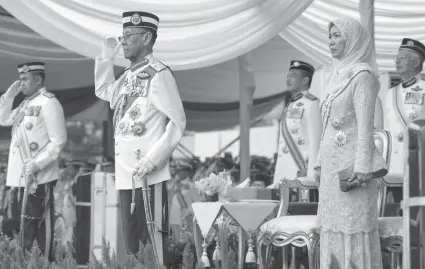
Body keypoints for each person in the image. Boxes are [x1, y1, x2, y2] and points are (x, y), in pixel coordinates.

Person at [94, 11, 186, 260]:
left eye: (128, 36)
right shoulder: (128, 76)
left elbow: (178, 123)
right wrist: (106, 56)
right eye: (122, 36)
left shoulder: (159, 74)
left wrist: (151, 161)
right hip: (126, 175)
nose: (123, 41)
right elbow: (104, 90)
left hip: (148, 177)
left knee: (152, 247)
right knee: (133, 248)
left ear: (146, 37)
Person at [315, 18, 388, 268]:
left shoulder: (362, 75)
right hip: (330, 171)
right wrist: (317, 163)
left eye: (337, 36)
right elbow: (326, 125)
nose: (331, 42)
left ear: (353, 39)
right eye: (330, 36)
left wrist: (363, 169)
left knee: (352, 229)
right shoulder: (334, 76)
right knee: (332, 229)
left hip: (353, 172)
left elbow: (367, 127)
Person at [0, 62, 67, 259]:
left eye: (25, 79)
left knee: (37, 227)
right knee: (22, 229)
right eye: (20, 79)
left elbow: (58, 140)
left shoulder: (49, 103)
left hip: (39, 177)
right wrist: (10, 95)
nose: (21, 83)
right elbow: (3, 119)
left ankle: (40, 263)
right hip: (20, 179)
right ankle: (25, 262)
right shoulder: (25, 104)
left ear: (38, 80)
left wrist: (38, 164)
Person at [273, 60, 322, 201]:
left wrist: (312, 177)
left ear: (305, 79)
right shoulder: (290, 105)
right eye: (287, 76)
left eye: (293, 76)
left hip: (301, 173)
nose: (288, 79)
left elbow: (315, 141)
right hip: (284, 172)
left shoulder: (312, 104)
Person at [383, 38, 425, 203]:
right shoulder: (390, 93)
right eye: (397, 58)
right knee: (396, 217)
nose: (397, 61)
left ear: (416, 62)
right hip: (393, 167)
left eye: (403, 57)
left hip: (417, 165)